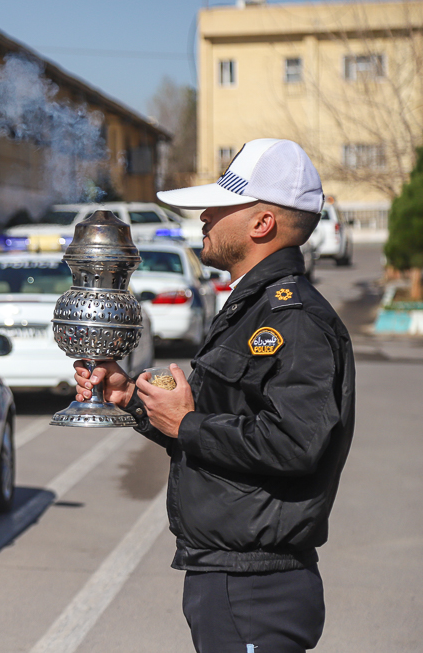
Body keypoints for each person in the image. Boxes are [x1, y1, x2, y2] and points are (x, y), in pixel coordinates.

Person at [74, 139, 355, 653]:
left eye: (219, 205)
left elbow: (295, 443)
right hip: (230, 578)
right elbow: (214, 422)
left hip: (257, 588)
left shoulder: (293, 318)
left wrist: (186, 423)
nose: (203, 216)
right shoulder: (253, 307)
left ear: (262, 223)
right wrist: (132, 399)